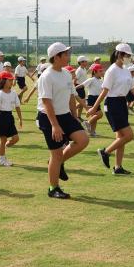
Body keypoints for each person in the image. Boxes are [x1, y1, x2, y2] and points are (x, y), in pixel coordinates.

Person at [37, 42, 89, 199]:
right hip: (48, 116)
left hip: (65, 114)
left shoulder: (66, 74)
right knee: (56, 154)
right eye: (65, 54)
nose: (68, 56)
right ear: (56, 57)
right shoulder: (46, 76)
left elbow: (71, 97)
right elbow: (46, 102)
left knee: (83, 139)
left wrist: (75, 117)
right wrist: (55, 126)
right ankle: (53, 188)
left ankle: (57, 163)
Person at [88, 43, 134, 175]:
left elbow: (133, 89)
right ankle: (105, 152)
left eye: (129, 55)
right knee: (128, 135)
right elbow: (105, 91)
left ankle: (118, 167)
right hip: (112, 104)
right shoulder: (112, 70)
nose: (128, 57)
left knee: (121, 137)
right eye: (127, 55)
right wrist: (94, 107)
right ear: (119, 54)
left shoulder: (126, 70)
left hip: (121, 102)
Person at [0, 71, 22, 167]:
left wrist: (20, 118)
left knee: (15, 138)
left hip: (9, 117)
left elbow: (17, 106)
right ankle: (2, 160)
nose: (12, 82)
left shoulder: (13, 93)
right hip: (2, 117)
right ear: (3, 81)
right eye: (9, 80)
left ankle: (0, 148)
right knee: (3, 139)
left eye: (12, 80)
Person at [80, 63, 105, 136]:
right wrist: (73, 90)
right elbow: (82, 85)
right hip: (92, 99)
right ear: (95, 72)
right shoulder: (91, 79)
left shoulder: (101, 81)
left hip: (97, 99)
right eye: (100, 71)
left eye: (102, 71)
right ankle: (87, 123)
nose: (102, 72)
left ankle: (92, 132)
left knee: (95, 117)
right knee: (100, 114)